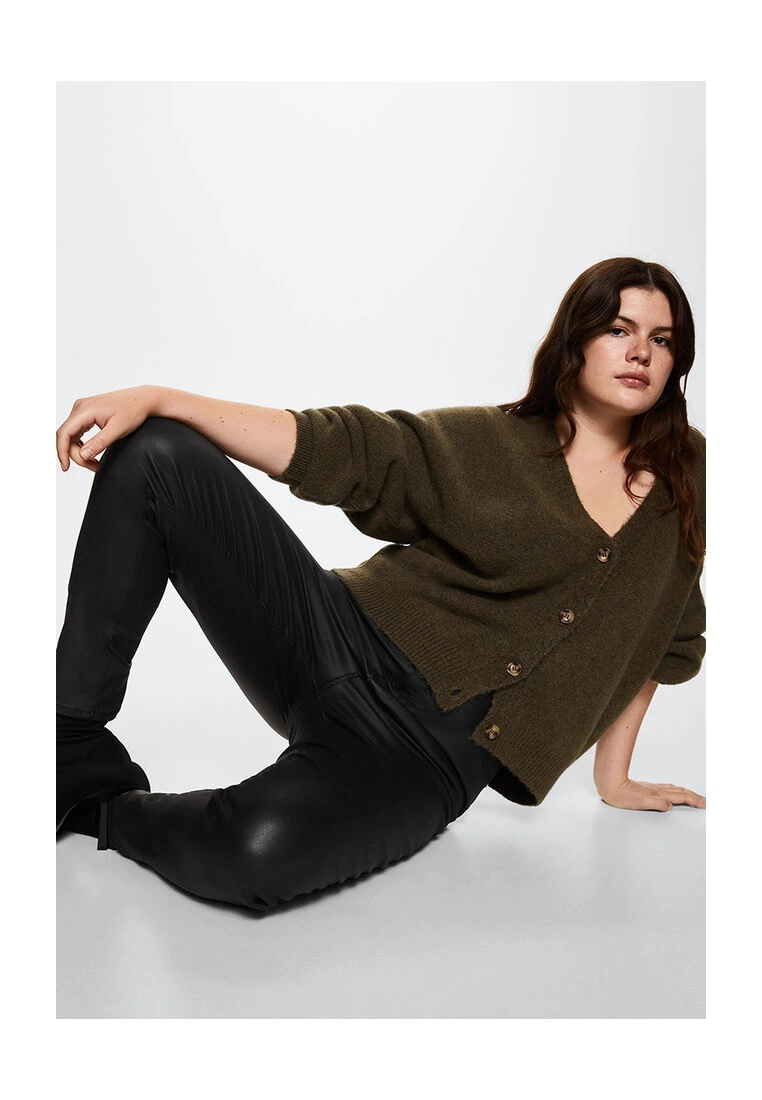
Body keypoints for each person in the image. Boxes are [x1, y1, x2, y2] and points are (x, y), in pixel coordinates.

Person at [56, 256, 706, 913]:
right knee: (156, 453)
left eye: (661, 339)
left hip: (423, 756)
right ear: (576, 340)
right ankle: (67, 748)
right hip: (329, 633)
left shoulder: (687, 482)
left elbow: (665, 634)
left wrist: (613, 777)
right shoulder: (495, 440)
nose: (641, 353)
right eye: (619, 330)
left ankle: (106, 809)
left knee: (255, 853)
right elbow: (349, 449)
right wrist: (161, 398)